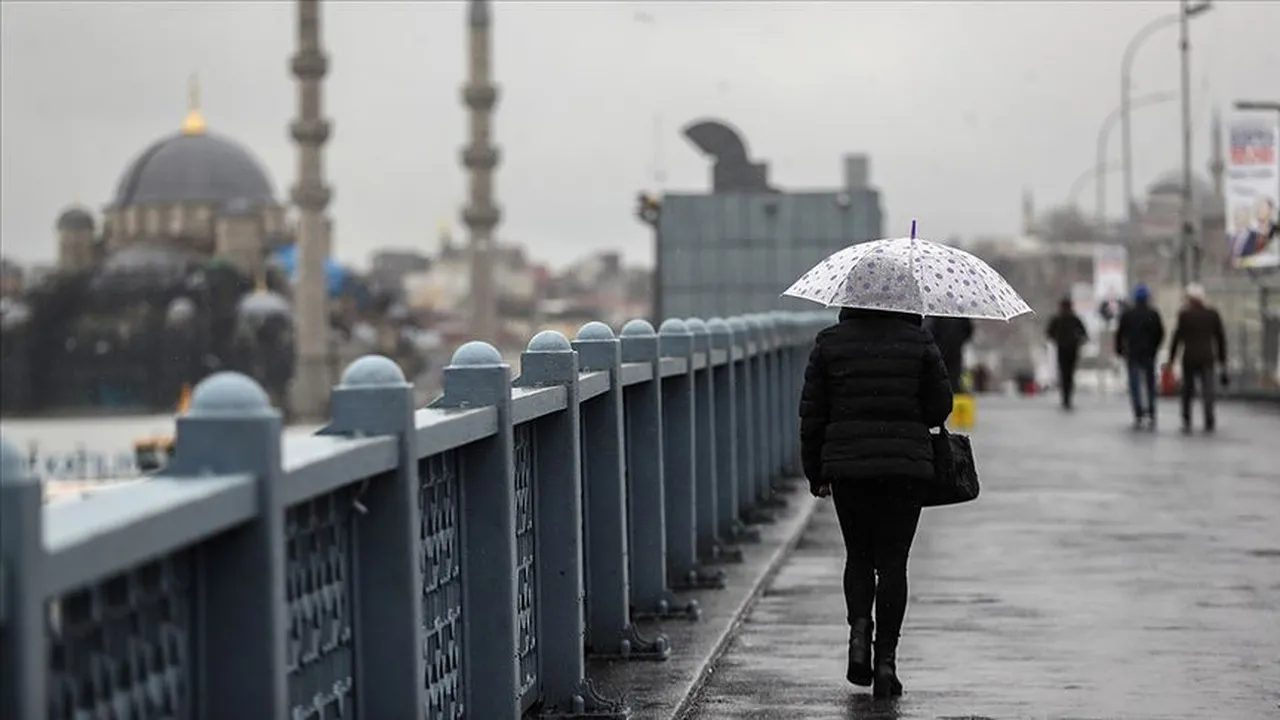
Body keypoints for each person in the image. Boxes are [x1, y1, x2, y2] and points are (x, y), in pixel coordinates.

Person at [799, 307, 953, 698]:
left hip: (849, 468)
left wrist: (815, 472)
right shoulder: (919, 341)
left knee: (859, 556)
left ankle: (857, 636)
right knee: (893, 562)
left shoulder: (829, 343)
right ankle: (886, 663)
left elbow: (813, 415)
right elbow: (940, 407)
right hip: (906, 467)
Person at [1167, 283, 1228, 433]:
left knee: (1188, 390)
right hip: (1207, 357)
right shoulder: (1212, 314)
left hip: (1189, 357)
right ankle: (1209, 418)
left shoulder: (1185, 315)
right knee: (1208, 390)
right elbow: (1220, 338)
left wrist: (1171, 358)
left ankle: (1187, 418)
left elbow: (1177, 337)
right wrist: (1222, 359)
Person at [1114, 284, 1165, 429]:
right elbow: (1160, 333)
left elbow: (1120, 333)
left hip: (1132, 353)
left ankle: (1138, 412)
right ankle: (1151, 411)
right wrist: (1155, 347)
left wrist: (1120, 350)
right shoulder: (1153, 313)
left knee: (1134, 384)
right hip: (1149, 353)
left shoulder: (1128, 314)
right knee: (1150, 383)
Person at [1045, 297, 1089, 410]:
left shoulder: (1058, 319)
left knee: (1064, 373)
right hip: (1072, 349)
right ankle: (1067, 397)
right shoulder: (1074, 319)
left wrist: (1057, 339)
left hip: (1062, 349)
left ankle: (1065, 397)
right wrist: (1077, 340)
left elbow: (1049, 333)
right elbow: (1084, 334)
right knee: (1069, 374)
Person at [924, 316, 974, 393]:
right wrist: (959, 341)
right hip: (955, 354)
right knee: (953, 381)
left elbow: (929, 330)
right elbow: (969, 331)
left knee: (939, 381)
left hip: (939, 353)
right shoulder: (960, 315)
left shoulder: (935, 314)